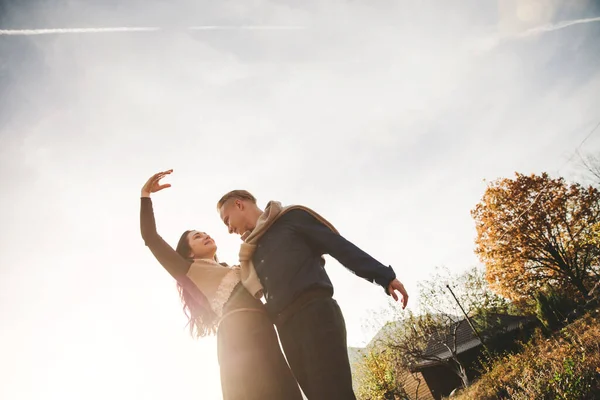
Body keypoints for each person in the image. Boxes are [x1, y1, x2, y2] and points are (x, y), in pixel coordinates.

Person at [218, 191, 409, 400]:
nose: (228, 229)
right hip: (286, 330)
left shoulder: (291, 218)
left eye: (227, 220)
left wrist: (384, 276)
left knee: (335, 394)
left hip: (316, 314)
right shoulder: (251, 253)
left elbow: (339, 246)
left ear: (239, 204)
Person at [139, 170, 302, 400]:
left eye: (204, 232)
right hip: (238, 339)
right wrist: (145, 195)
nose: (205, 236)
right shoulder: (188, 271)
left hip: (266, 331)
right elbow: (150, 237)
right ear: (189, 253)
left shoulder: (236, 267)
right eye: (197, 237)